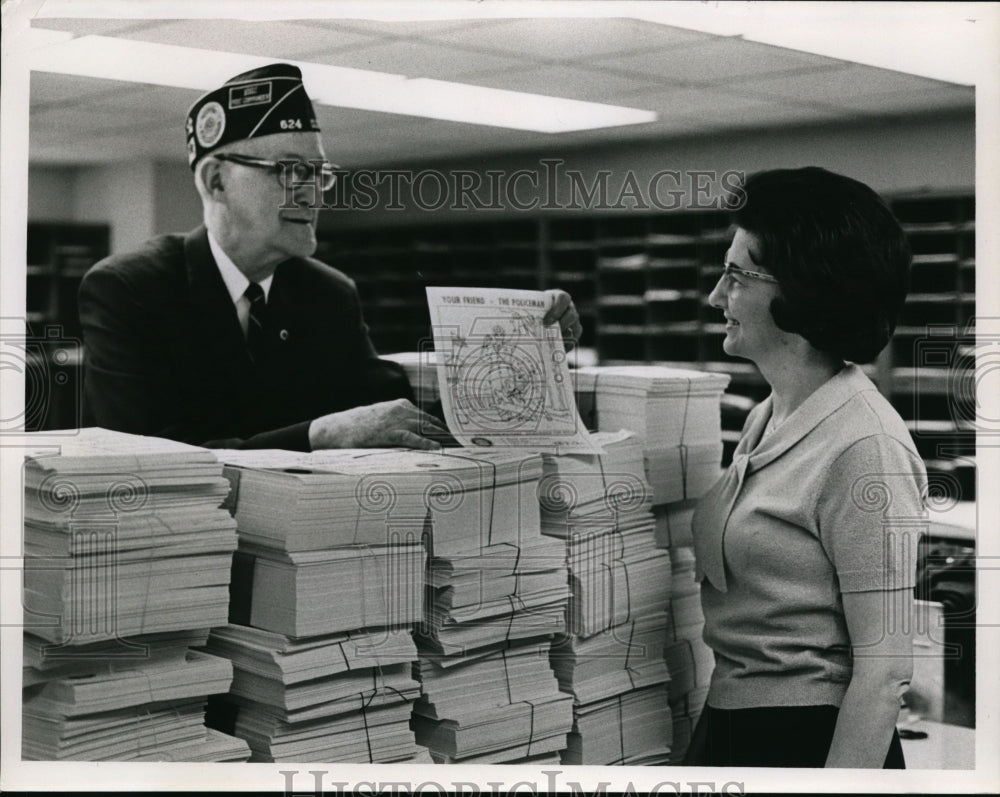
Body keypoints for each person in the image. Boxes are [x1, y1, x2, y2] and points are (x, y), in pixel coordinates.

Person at [78, 64, 582, 451]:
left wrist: (522, 352)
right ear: (215, 181)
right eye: (290, 170)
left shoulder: (327, 293)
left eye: (319, 173)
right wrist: (319, 433)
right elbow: (150, 460)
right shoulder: (129, 290)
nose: (312, 193)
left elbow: (396, 418)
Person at [685, 167, 926, 768]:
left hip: (810, 743)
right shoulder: (768, 415)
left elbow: (886, 670)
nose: (716, 297)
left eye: (737, 275)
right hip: (733, 722)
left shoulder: (866, 448)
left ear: (801, 290)